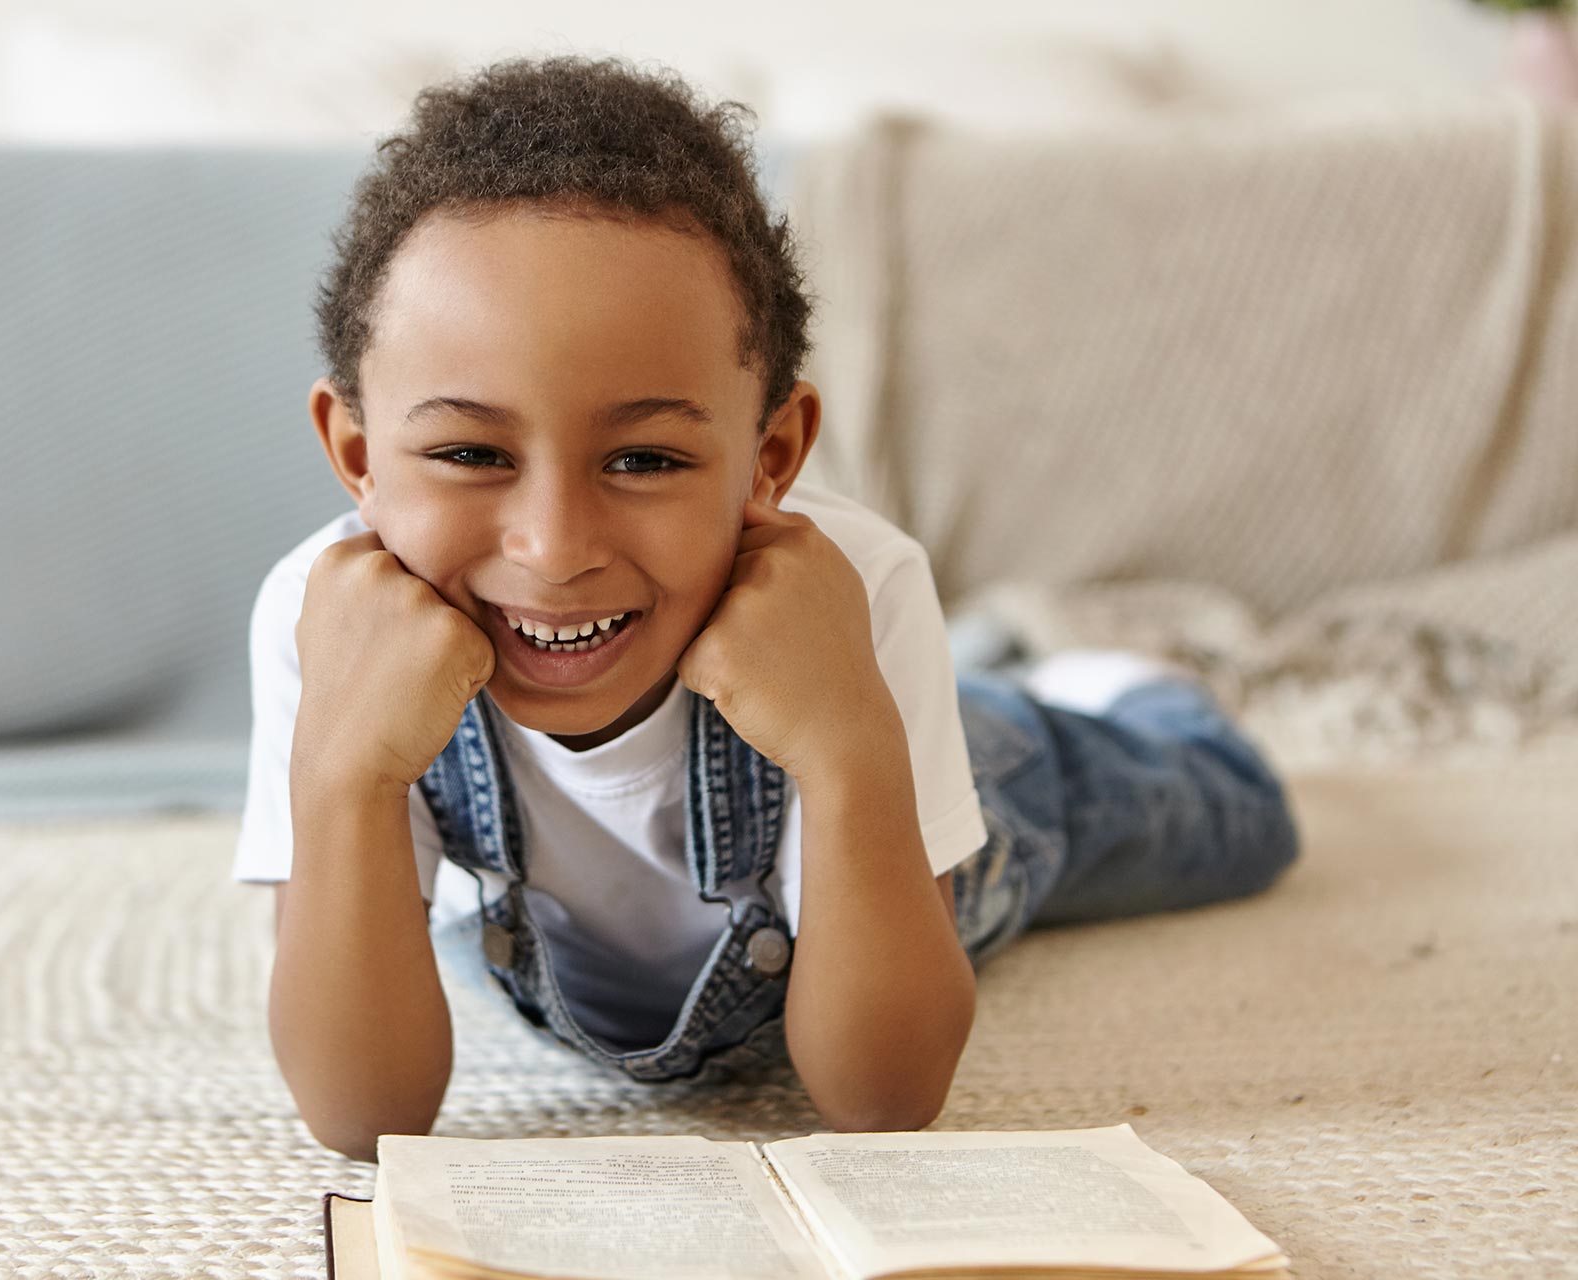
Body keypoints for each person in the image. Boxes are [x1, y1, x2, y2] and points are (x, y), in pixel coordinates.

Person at [231, 54, 1301, 1163]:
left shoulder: (860, 588)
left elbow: (883, 1100)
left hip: (932, 787)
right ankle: (985, 667)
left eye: (642, 457)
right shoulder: (322, 619)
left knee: (1237, 816)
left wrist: (849, 747)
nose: (553, 547)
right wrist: (343, 774)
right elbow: (363, 1117)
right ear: (356, 454)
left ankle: (1087, 680)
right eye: (468, 452)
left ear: (771, 454)